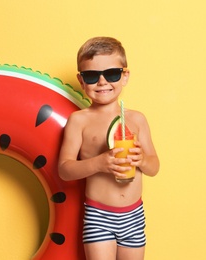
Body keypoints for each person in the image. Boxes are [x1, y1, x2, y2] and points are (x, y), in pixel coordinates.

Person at [58, 36, 160, 260]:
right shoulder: (79, 121)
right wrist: (99, 162)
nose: (102, 82)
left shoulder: (137, 119)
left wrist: (142, 159)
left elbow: (154, 167)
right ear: (81, 80)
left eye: (112, 73)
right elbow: (64, 170)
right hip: (99, 216)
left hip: (134, 215)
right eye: (92, 76)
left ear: (125, 77)